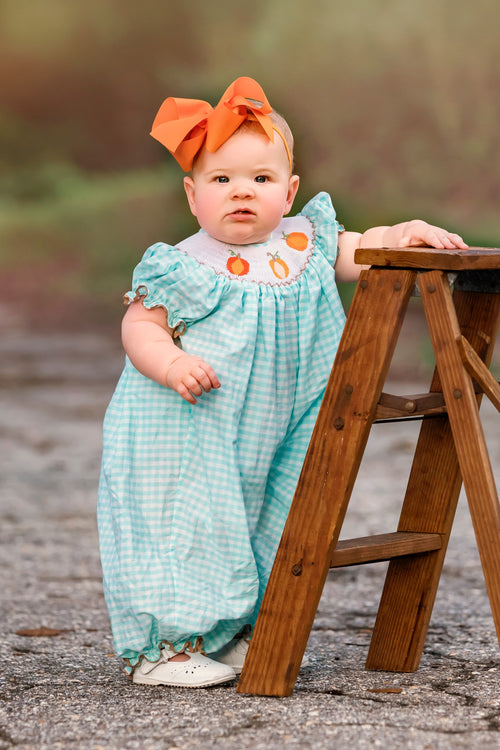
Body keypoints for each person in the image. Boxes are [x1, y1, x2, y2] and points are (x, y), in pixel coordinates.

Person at [97, 76, 467, 688]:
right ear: (193, 196)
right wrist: (169, 362)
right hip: (190, 420)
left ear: (289, 189)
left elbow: (359, 249)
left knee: (274, 514)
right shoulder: (183, 263)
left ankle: (242, 630)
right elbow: (141, 324)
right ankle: (166, 644)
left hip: (280, 420)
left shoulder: (301, 242)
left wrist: (400, 234)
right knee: (190, 522)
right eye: (222, 180)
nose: (242, 192)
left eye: (261, 180)